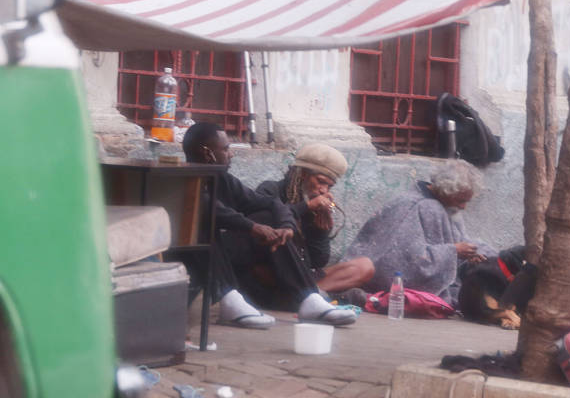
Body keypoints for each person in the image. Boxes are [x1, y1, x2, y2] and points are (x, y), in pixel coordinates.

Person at [182, 123, 357, 326]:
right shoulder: (185, 179)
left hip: (293, 271)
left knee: (361, 266)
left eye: (328, 185)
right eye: (226, 149)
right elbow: (210, 207)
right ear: (207, 153)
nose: (231, 155)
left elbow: (316, 258)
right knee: (208, 223)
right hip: (215, 259)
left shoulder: (224, 180)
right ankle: (232, 300)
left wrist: (306, 227)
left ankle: (310, 299)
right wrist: (255, 226)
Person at [344, 159, 495, 307]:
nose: (463, 207)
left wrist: (473, 255)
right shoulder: (417, 206)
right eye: (461, 200)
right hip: (374, 275)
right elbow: (406, 261)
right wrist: (453, 251)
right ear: (446, 191)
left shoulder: (448, 207)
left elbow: (460, 241)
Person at [255, 144, 374, 299]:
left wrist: (321, 232)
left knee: (364, 266)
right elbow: (265, 223)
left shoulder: (314, 204)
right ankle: (311, 296)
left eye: (329, 186)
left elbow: (318, 261)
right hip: (273, 271)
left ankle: (308, 295)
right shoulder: (270, 189)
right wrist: (306, 206)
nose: (324, 190)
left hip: (304, 274)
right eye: (320, 181)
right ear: (303, 174)